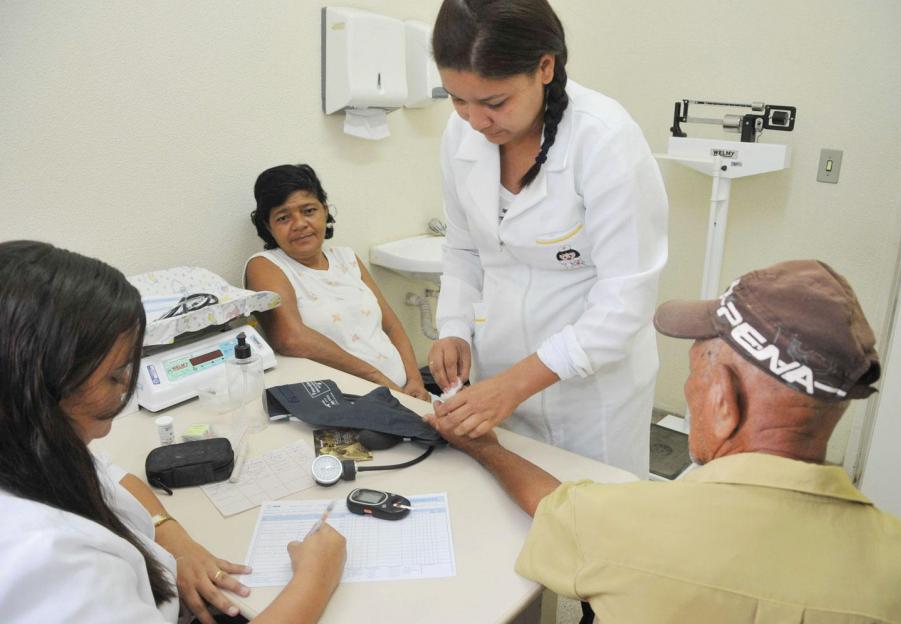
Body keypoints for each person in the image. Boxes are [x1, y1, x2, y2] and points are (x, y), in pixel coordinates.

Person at [428, 259, 901, 623]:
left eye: (695, 375)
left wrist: (485, 447)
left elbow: (551, 506)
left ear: (724, 403)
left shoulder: (622, 524)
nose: (689, 391)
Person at [0, 240, 346, 623]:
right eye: (115, 375)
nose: (124, 387)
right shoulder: (53, 563)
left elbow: (115, 478)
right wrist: (316, 577)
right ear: (39, 385)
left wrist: (175, 541)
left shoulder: (29, 444)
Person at [427, 0, 668, 475]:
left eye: (494, 102)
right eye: (457, 98)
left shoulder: (604, 140)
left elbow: (625, 301)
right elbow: (464, 247)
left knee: (596, 525)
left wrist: (518, 383)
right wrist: (453, 325)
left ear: (544, 67)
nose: (475, 121)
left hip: (591, 395)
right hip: (498, 378)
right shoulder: (462, 136)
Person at [245, 164, 429, 401]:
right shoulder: (266, 265)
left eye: (309, 211)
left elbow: (392, 325)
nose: (300, 223)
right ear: (268, 227)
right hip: (350, 401)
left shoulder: (347, 258)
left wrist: (415, 380)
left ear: (325, 211)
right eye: (283, 217)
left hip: (403, 392)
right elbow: (290, 339)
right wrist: (377, 379)